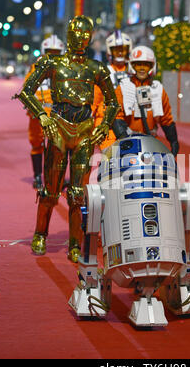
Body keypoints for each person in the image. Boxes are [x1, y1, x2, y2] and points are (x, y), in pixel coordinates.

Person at [15, 15, 120, 263]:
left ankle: (75, 243)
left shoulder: (97, 68)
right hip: (59, 127)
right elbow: (26, 92)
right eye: (78, 33)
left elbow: (112, 102)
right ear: (68, 35)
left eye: (87, 34)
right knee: (50, 189)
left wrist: (104, 124)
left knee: (77, 193)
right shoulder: (52, 63)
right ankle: (40, 233)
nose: (82, 38)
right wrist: (42, 115)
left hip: (84, 131)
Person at [113, 45, 179, 157]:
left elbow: (166, 118)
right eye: (138, 64)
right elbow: (117, 117)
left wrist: (173, 140)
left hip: (151, 142)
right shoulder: (123, 88)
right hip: (127, 141)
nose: (142, 68)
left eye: (146, 64)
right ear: (131, 66)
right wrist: (124, 139)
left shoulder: (158, 89)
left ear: (152, 67)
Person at [25, 35, 65, 189]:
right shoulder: (35, 68)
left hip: (58, 114)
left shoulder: (65, 70)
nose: (53, 55)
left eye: (56, 52)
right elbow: (27, 89)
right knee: (37, 144)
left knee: (58, 147)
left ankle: (54, 179)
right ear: (44, 52)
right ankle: (37, 176)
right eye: (50, 52)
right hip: (38, 114)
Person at [92, 30, 133, 150]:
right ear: (110, 51)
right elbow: (95, 98)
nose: (120, 53)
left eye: (123, 49)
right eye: (116, 49)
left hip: (128, 121)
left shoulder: (134, 71)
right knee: (110, 156)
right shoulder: (104, 72)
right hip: (106, 122)